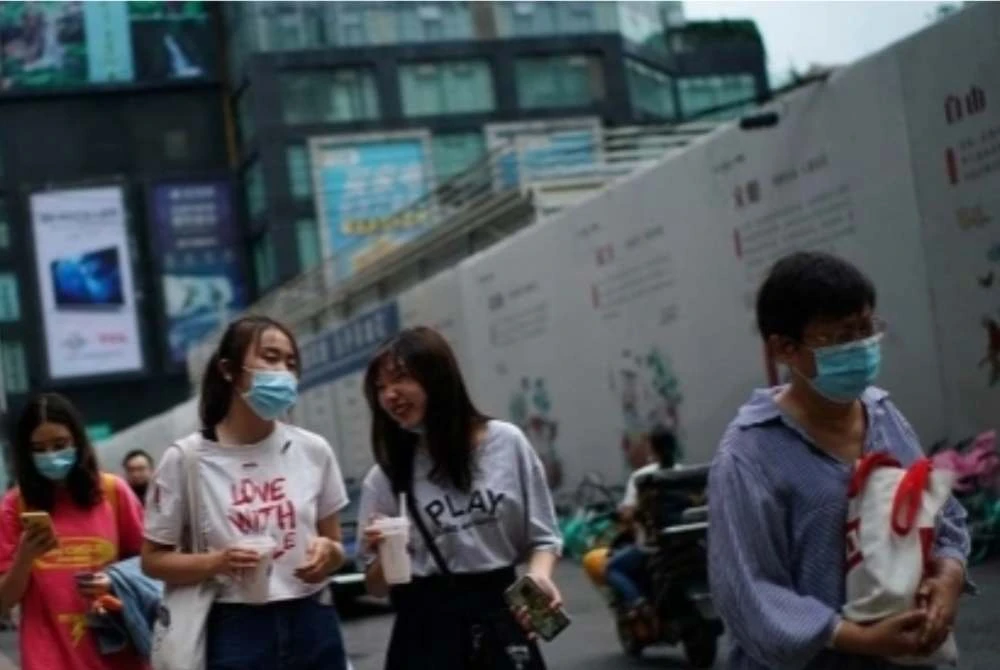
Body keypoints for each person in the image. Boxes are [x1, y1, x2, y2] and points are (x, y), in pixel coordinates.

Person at [709, 251, 971, 669]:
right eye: (840, 337)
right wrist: (858, 638)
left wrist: (948, 578)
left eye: (866, 329)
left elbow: (941, 517)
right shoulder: (748, 457)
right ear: (785, 349)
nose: (862, 347)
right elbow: (750, 591)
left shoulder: (885, 415)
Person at [141, 315, 350, 670]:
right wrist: (218, 562)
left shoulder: (313, 450)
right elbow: (152, 560)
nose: (283, 371)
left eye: (291, 363)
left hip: (312, 616)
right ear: (228, 370)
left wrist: (328, 554)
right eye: (270, 358)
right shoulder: (186, 459)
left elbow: (336, 546)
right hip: (234, 625)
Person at [358, 326, 564, 670]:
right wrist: (389, 552)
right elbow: (376, 587)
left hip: (501, 615)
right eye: (380, 388)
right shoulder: (386, 477)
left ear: (438, 378)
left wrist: (538, 577)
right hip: (424, 631)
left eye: (401, 379)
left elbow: (544, 537)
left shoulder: (506, 443)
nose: (390, 395)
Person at [0, 393, 147, 670]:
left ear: (78, 442)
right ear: (25, 452)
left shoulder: (114, 493)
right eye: (39, 448)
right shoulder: (13, 506)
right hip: (47, 657)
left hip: (116, 652)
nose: (51, 456)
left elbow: (151, 565)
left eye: (60, 444)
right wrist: (25, 557)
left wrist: (113, 581)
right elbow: (3, 602)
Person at [604, 428, 680, 623]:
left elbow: (628, 513)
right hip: (687, 545)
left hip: (654, 548)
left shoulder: (642, 477)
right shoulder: (683, 472)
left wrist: (624, 515)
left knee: (612, 568)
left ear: (652, 449)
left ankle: (638, 602)